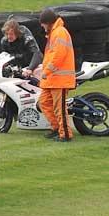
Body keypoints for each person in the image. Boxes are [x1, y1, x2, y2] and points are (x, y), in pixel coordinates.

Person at [38, 8, 76, 142]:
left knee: (60, 109)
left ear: (47, 22)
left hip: (59, 79)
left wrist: (46, 71)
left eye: (42, 24)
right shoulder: (54, 33)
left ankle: (65, 134)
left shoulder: (59, 32)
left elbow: (58, 55)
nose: (42, 27)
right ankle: (56, 128)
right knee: (43, 102)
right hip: (51, 79)